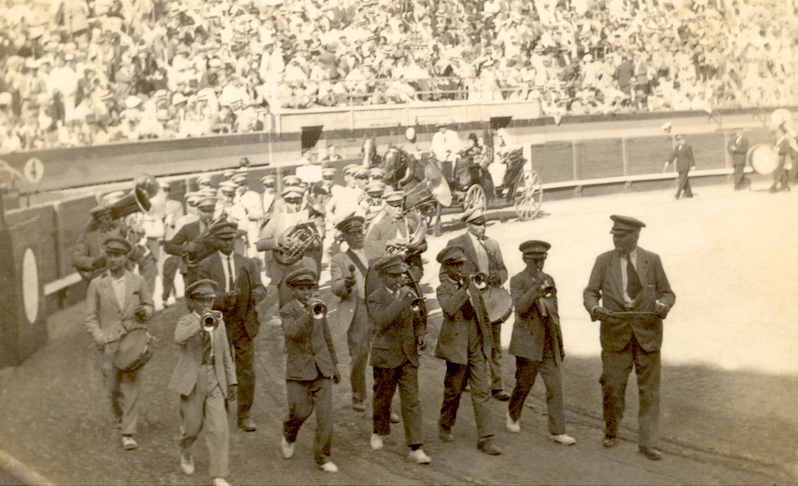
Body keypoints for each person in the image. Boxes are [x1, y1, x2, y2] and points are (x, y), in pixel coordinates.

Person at [583, 215, 676, 461]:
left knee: (649, 391)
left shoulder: (652, 260)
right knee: (612, 386)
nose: (615, 239)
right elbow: (590, 292)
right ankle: (611, 431)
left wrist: (663, 306)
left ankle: (648, 443)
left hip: (648, 334)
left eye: (621, 236)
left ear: (636, 236)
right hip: (614, 334)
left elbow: (667, 293)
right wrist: (594, 308)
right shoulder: (603, 261)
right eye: (614, 235)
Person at [85, 236, 154, 451]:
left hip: (133, 340)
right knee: (112, 387)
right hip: (109, 343)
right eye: (110, 255)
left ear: (126, 257)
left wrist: (146, 311)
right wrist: (99, 337)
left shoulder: (138, 281)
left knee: (132, 386)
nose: (113, 259)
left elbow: (149, 305)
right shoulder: (97, 284)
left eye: (118, 255)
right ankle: (118, 416)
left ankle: (128, 432)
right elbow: (90, 316)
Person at [198, 221, 267, 432]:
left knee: (246, 370)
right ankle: (222, 409)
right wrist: (221, 299)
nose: (228, 243)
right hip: (219, 323)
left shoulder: (247, 262)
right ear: (216, 240)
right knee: (220, 366)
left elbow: (261, 288)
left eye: (231, 239)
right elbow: (201, 295)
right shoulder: (207, 265)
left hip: (244, 321)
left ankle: (244, 414)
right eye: (224, 239)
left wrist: (252, 296)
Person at [506, 240, 575, 446]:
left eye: (542, 259)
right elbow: (521, 307)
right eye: (535, 260)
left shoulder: (549, 279)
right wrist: (536, 287)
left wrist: (559, 344)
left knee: (555, 387)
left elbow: (555, 314)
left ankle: (557, 430)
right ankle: (512, 414)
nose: (539, 264)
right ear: (525, 259)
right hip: (527, 342)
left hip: (547, 341)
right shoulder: (517, 280)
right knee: (524, 384)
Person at [168, 279, 236, 486]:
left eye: (210, 300)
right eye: (202, 301)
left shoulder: (219, 322)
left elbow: (225, 355)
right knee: (192, 427)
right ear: (193, 302)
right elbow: (179, 338)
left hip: (215, 376)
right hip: (192, 379)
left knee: (219, 428)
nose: (207, 305)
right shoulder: (185, 321)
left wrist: (231, 381)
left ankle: (219, 475)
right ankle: (186, 450)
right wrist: (200, 324)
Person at [434, 245, 501, 455]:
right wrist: (465, 288)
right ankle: (445, 423)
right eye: (455, 265)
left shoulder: (470, 285)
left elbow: (482, 311)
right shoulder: (443, 288)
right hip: (456, 347)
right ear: (447, 267)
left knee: (482, 391)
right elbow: (450, 309)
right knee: (454, 391)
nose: (460, 268)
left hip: (475, 345)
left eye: (461, 264)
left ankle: (486, 438)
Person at [366, 255, 431, 464]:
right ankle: (378, 431)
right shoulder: (374, 297)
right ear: (382, 277)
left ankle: (415, 446)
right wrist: (403, 299)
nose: (398, 279)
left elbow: (418, 318)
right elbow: (382, 320)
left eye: (400, 275)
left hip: (408, 355)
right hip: (385, 355)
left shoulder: (407, 294)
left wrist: (420, 334)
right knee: (383, 398)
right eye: (393, 276)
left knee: (412, 401)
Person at [279, 268, 340, 473]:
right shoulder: (287, 310)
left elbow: (326, 337)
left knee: (325, 416)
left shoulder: (319, 307)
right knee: (300, 412)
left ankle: (323, 457)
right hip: (299, 371)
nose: (306, 293)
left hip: (322, 368)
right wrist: (309, 313)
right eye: (302, 289)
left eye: (309, 288)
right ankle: (289, 433)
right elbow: (292, 333)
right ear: (293, 290)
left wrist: (334, 364)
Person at [446, 208, 509, 401]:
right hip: (469, 298)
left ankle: (497, 386)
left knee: (494, 342)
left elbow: (503, 269)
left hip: (490, 298)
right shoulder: (456, 243)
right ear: (468, 225)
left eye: (483, 224)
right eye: (477, 224)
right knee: (469, 340)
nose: (481, 227)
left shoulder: (492, 244)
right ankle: (465, 382)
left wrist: (497, 278)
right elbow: (449, 271)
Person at [330, 214, 371, 412]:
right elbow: (335, 286)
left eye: (360, 232)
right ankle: (358, 396)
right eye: (352, 233)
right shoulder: (339, 259)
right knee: (359, 355)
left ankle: (384, 401)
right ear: (344, 237)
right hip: (359, 309)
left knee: (387, 354)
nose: (357, 236)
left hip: (379, 306)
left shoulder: (374, 250)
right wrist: (345, 285)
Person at [257, 187, 321, 308]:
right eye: (290, 201)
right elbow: (260, 245)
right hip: (284, 270)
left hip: (305, 267)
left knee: (307, 307)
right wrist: (278, 242)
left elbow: (318, 245)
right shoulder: (275, 219)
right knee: (287, 307)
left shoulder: (308, 218)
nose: (294, 205)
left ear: (301, 201)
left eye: (297, 201)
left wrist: (311, 242)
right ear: (284, 202)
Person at [164, 195, 219, 286]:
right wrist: (186, 248)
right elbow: (168, 247)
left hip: (215, 270)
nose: (207, 215)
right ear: (197, 211)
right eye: (204, 211)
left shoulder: (218, 227)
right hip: (194, 272)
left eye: (211, 211)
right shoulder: (188, 228)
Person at [663, 134, 696, 199]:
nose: (678, 141)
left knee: (682, 181)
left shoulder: (688, 146)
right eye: (677, 139)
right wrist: (668, 162)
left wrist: (693, 165)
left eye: (680, 139)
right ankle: (689, 193)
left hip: (685, 167)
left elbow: (691, 156)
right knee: (684, 180)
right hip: (679, 167)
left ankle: (677, 194)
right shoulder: (677, 147)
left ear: (683, 139)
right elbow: (673, 155)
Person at [770, 127, 792, 193]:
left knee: (778, 172)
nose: (777, 134)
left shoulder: (786, 140)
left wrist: (778, 150)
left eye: (778, 132)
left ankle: (774, 187)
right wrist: (773, 148)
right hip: (777, 158)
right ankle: (785, 186)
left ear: (782, 133)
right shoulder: (777, 140)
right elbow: (773, 147)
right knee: (781, 173)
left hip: (783, 159)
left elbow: (787, 150)